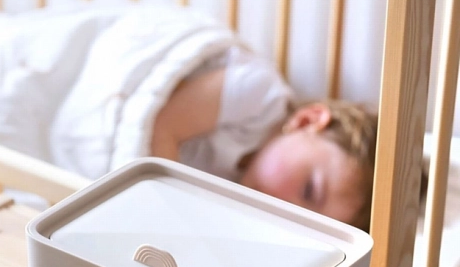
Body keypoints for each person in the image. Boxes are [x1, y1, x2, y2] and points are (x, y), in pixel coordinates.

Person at [150, 47, 378, 232]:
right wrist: (174, 221)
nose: (285, 211)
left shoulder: (232, 195)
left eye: (302, 222)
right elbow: (160, 124)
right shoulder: (260, 96)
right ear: (306, 121)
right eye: (308, 190)